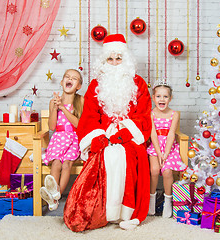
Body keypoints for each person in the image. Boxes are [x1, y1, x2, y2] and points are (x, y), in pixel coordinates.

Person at [63, 34, 152, 232]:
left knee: (125, 155)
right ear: (104, 61)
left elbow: (144, 115)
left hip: (128, 134)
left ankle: (124, 212)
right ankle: (104, 211)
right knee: (106, 155)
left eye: (118, 58)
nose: (114, 63)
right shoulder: (96, 84)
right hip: (103, 132)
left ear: (125, 59)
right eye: (109, 59)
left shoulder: (139, 83)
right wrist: (98, 136)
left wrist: (124, 134)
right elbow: (89, 116)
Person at [40, 69, 84, 211]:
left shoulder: (80, 100)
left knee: (67, 164)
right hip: (58, 138)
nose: (70, 79)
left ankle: (55, 196)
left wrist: (63, 108)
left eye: (74, 78)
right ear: (62, 82)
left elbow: (78, 125)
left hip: (73, 138)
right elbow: (52, 126)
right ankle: (53, 197)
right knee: (57, 164)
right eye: (67, 77)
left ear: (78, 86)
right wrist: (55, 107)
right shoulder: (53, 102)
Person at [147, 81, 186, 218]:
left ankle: (168, 201)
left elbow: (171, 134)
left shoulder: (174, 114)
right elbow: (152, 134)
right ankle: (151, 200)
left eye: (165, 97)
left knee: (167, 171)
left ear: (170, 98)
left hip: (169, 148)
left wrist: (166, 154)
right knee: (154, 170)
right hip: (155, 146)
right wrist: (159, 153)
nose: (161, 99)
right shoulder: (151, 114)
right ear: (153, 98)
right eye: (158, 96)